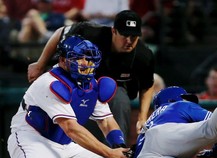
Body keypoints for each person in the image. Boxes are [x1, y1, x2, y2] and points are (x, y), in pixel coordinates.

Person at [0, 36, 129, 158]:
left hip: (67, 145)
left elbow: (107, 121)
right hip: (33, 138)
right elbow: (70, 128)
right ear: (62, 60)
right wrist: (109, 152)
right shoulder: (49, 83)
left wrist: (120, 148)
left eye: (88, 59)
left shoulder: (92, 85)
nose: (85, 63)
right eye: (79, 58)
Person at [27, 10, 155, 143]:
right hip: (75, 79)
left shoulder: (143, 55)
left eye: (133, 37)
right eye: (125, 35)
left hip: (110, 86)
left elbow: (147, 85)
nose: (129, 41)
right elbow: (61, 32)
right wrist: (40, 64)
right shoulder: (92, 33)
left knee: (120, 101)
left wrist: (142, 117)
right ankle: (43, 141)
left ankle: (116, 153)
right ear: (113, 31)